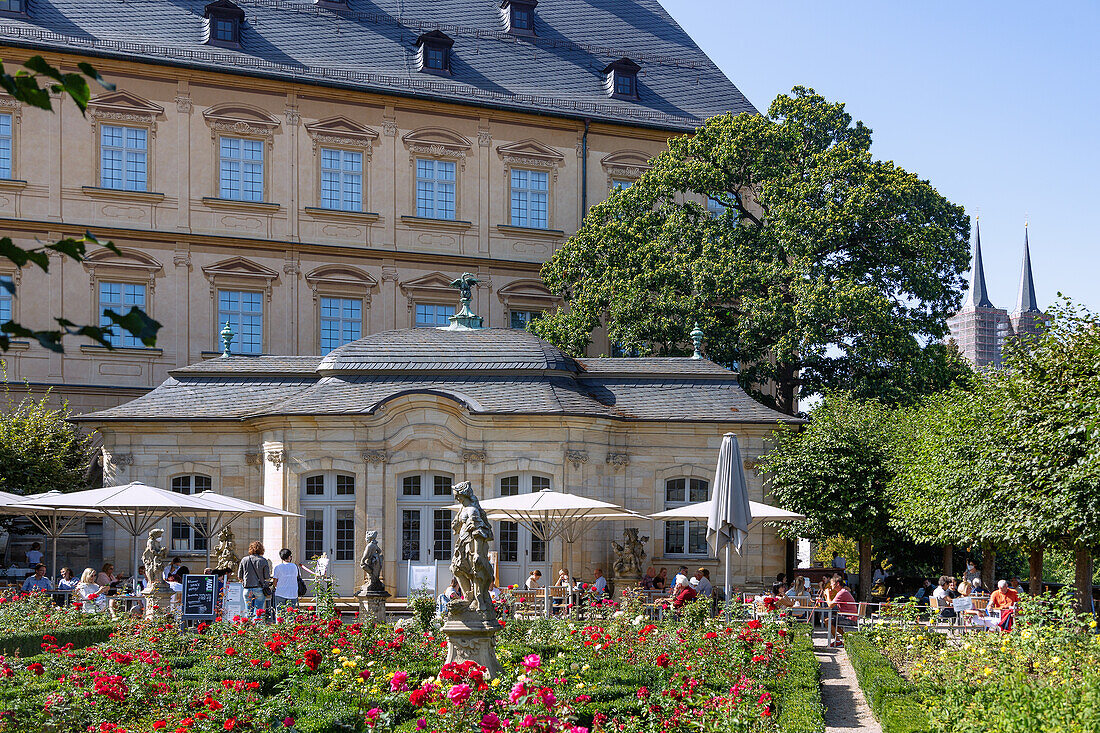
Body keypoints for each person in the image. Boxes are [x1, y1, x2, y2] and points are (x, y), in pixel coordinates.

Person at [238, 541, 272, 621]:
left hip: (247, 588)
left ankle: (247, 628)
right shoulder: (263, 560)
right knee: (259, 612)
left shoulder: (244, 559)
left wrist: (243, 582)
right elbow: (267, 576)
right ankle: (257, 628)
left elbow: (239, 576)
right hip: (259, 588)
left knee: (248, 611)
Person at [825, 573, 857, 646]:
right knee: (831, 620)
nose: (830, 585)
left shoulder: (841, 593)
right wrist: (828, 596)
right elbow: (832, 603)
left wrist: (827, 594)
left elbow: (830, 605)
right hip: (850, 616)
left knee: (827, 621)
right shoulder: (842, 591)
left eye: (832, 584)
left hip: (850, 618)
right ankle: (846, 638)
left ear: (837, 584)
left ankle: (839, 641)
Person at [271, 548, 303, 615]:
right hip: (292, 593)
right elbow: (298, 577)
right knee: (290, 614)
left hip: (280, 592)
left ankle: (279, 625)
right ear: (289, 557)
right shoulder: (295, 567)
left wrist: (278, 586)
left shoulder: (278, 567)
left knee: (280, 614)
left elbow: (275, 581)